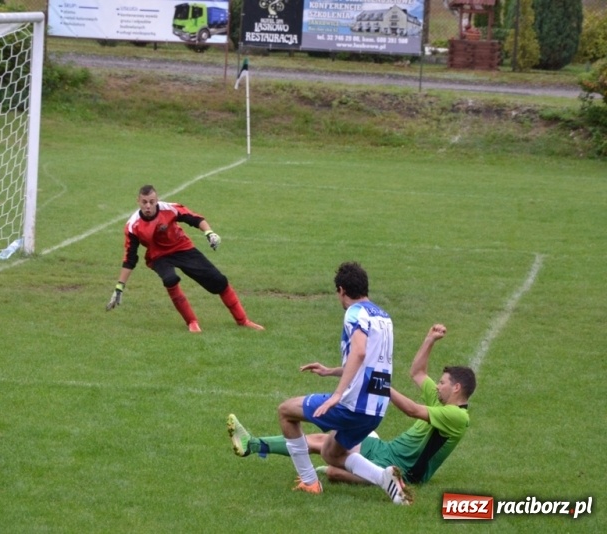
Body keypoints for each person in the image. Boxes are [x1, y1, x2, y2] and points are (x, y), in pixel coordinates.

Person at [227, 323, 476, 488]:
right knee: (324, 441)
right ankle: (254, 445)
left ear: (456, 388)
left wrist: (382, 386)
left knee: (330, 462)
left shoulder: (458, 417)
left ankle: (255, 446)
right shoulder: (440, 401)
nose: (437, 386)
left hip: (404, 470)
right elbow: (418, 373)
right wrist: (429, 339)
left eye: (442, 383)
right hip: (386, 450)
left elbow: (411, 410)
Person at [269, 261, 409, 503]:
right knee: (331, 453)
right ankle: (384, 478)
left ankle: (310, 483)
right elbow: (370, 363)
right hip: (376, 408)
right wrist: (330, 371)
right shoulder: (384, 317)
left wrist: (336, 395)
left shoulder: (354, 313)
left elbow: (360, 352)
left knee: (286, 411)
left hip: (352, 404)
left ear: (342, 290)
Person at [105, 185, 264, 333]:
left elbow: (194, 218)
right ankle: (192, 322)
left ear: (157, 200)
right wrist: (119, 286)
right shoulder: (133, 225)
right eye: (144, 202)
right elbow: (130, 258)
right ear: (138, 201)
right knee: (170, 279)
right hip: (159, 256)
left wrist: (209, 233)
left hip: (182, 248)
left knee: (219, 281)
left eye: (151, 202)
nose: (148, 206)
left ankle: (243, 320)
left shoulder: (169, 209)